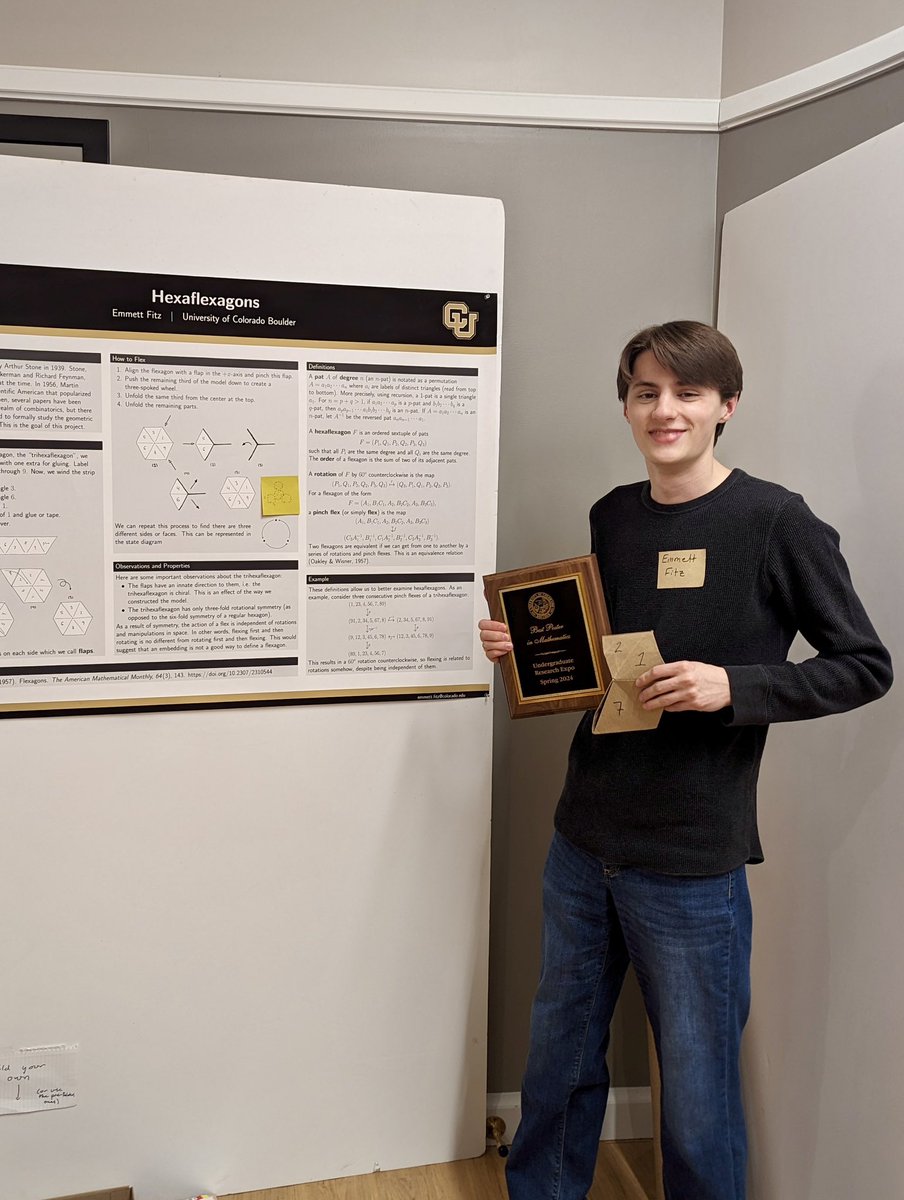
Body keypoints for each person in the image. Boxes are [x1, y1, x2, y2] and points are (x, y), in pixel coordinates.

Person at [479, 320, 892, 1200]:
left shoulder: (776, 520)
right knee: (557, 1066)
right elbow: (598, 655)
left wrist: (733, 687)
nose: (664, 410)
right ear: (627, 406)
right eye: (645, 392)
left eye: (686, 393)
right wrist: (525, 643)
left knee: (699, 1105)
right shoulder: (614, 514)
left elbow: (866, 666)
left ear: (725, 407)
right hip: (582, 843)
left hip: (692, 863)